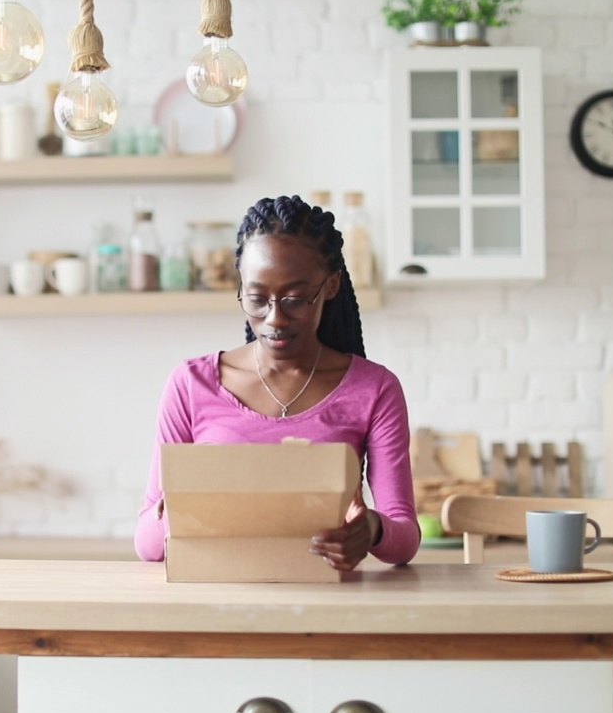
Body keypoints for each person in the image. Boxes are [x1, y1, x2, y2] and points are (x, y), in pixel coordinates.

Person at [134, 194, 419, 570]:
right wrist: (180, 507)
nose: (275, 319)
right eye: (257, 299)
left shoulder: (374, 389)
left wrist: (370, 528)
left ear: (331, 286)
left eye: (296, 299)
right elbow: (147, 546)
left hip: (327, 609)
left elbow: (404, 537)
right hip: (215, 606)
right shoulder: (190, 384)